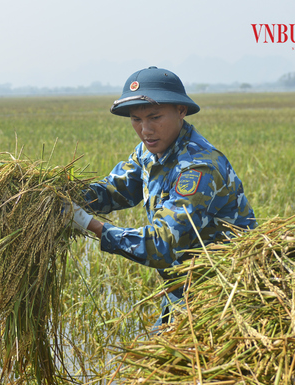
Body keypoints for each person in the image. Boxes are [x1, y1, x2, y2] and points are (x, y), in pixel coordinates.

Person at [68, 66, 257, 327]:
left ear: (181, 111)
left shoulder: (198, 168)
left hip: (221, 297)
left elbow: (163, 244)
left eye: (155, 117)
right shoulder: (148, 153)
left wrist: (93, 226)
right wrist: (60, 193)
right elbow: (114, 190)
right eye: (136, 120)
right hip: (180, 293)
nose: (145, 130)